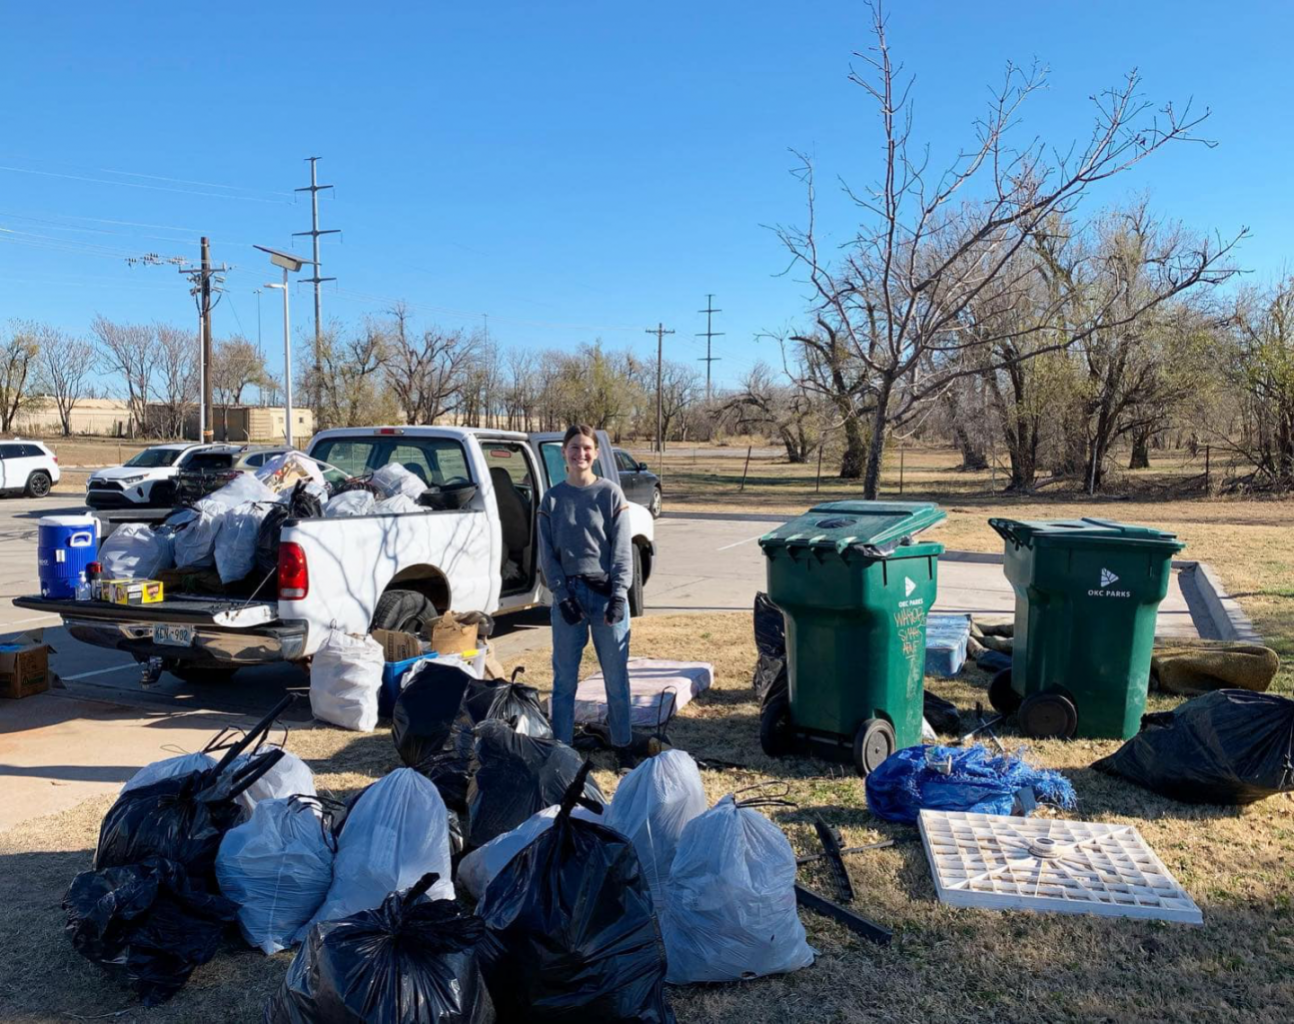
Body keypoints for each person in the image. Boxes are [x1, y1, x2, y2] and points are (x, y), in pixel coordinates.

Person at [537, 424, 635, 766]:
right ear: (563, 452)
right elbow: (546, 553)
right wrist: (562, 596)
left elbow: (623, 549)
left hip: (606, 594)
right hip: (570, 596)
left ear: (596, 453)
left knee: (616, 675)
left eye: (587, 448)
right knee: (564, 678)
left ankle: (623, 745)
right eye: (574, 448)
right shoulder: (552, 499)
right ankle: (563, 748)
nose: (581, 454)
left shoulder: (611, 495)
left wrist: (620, 594)